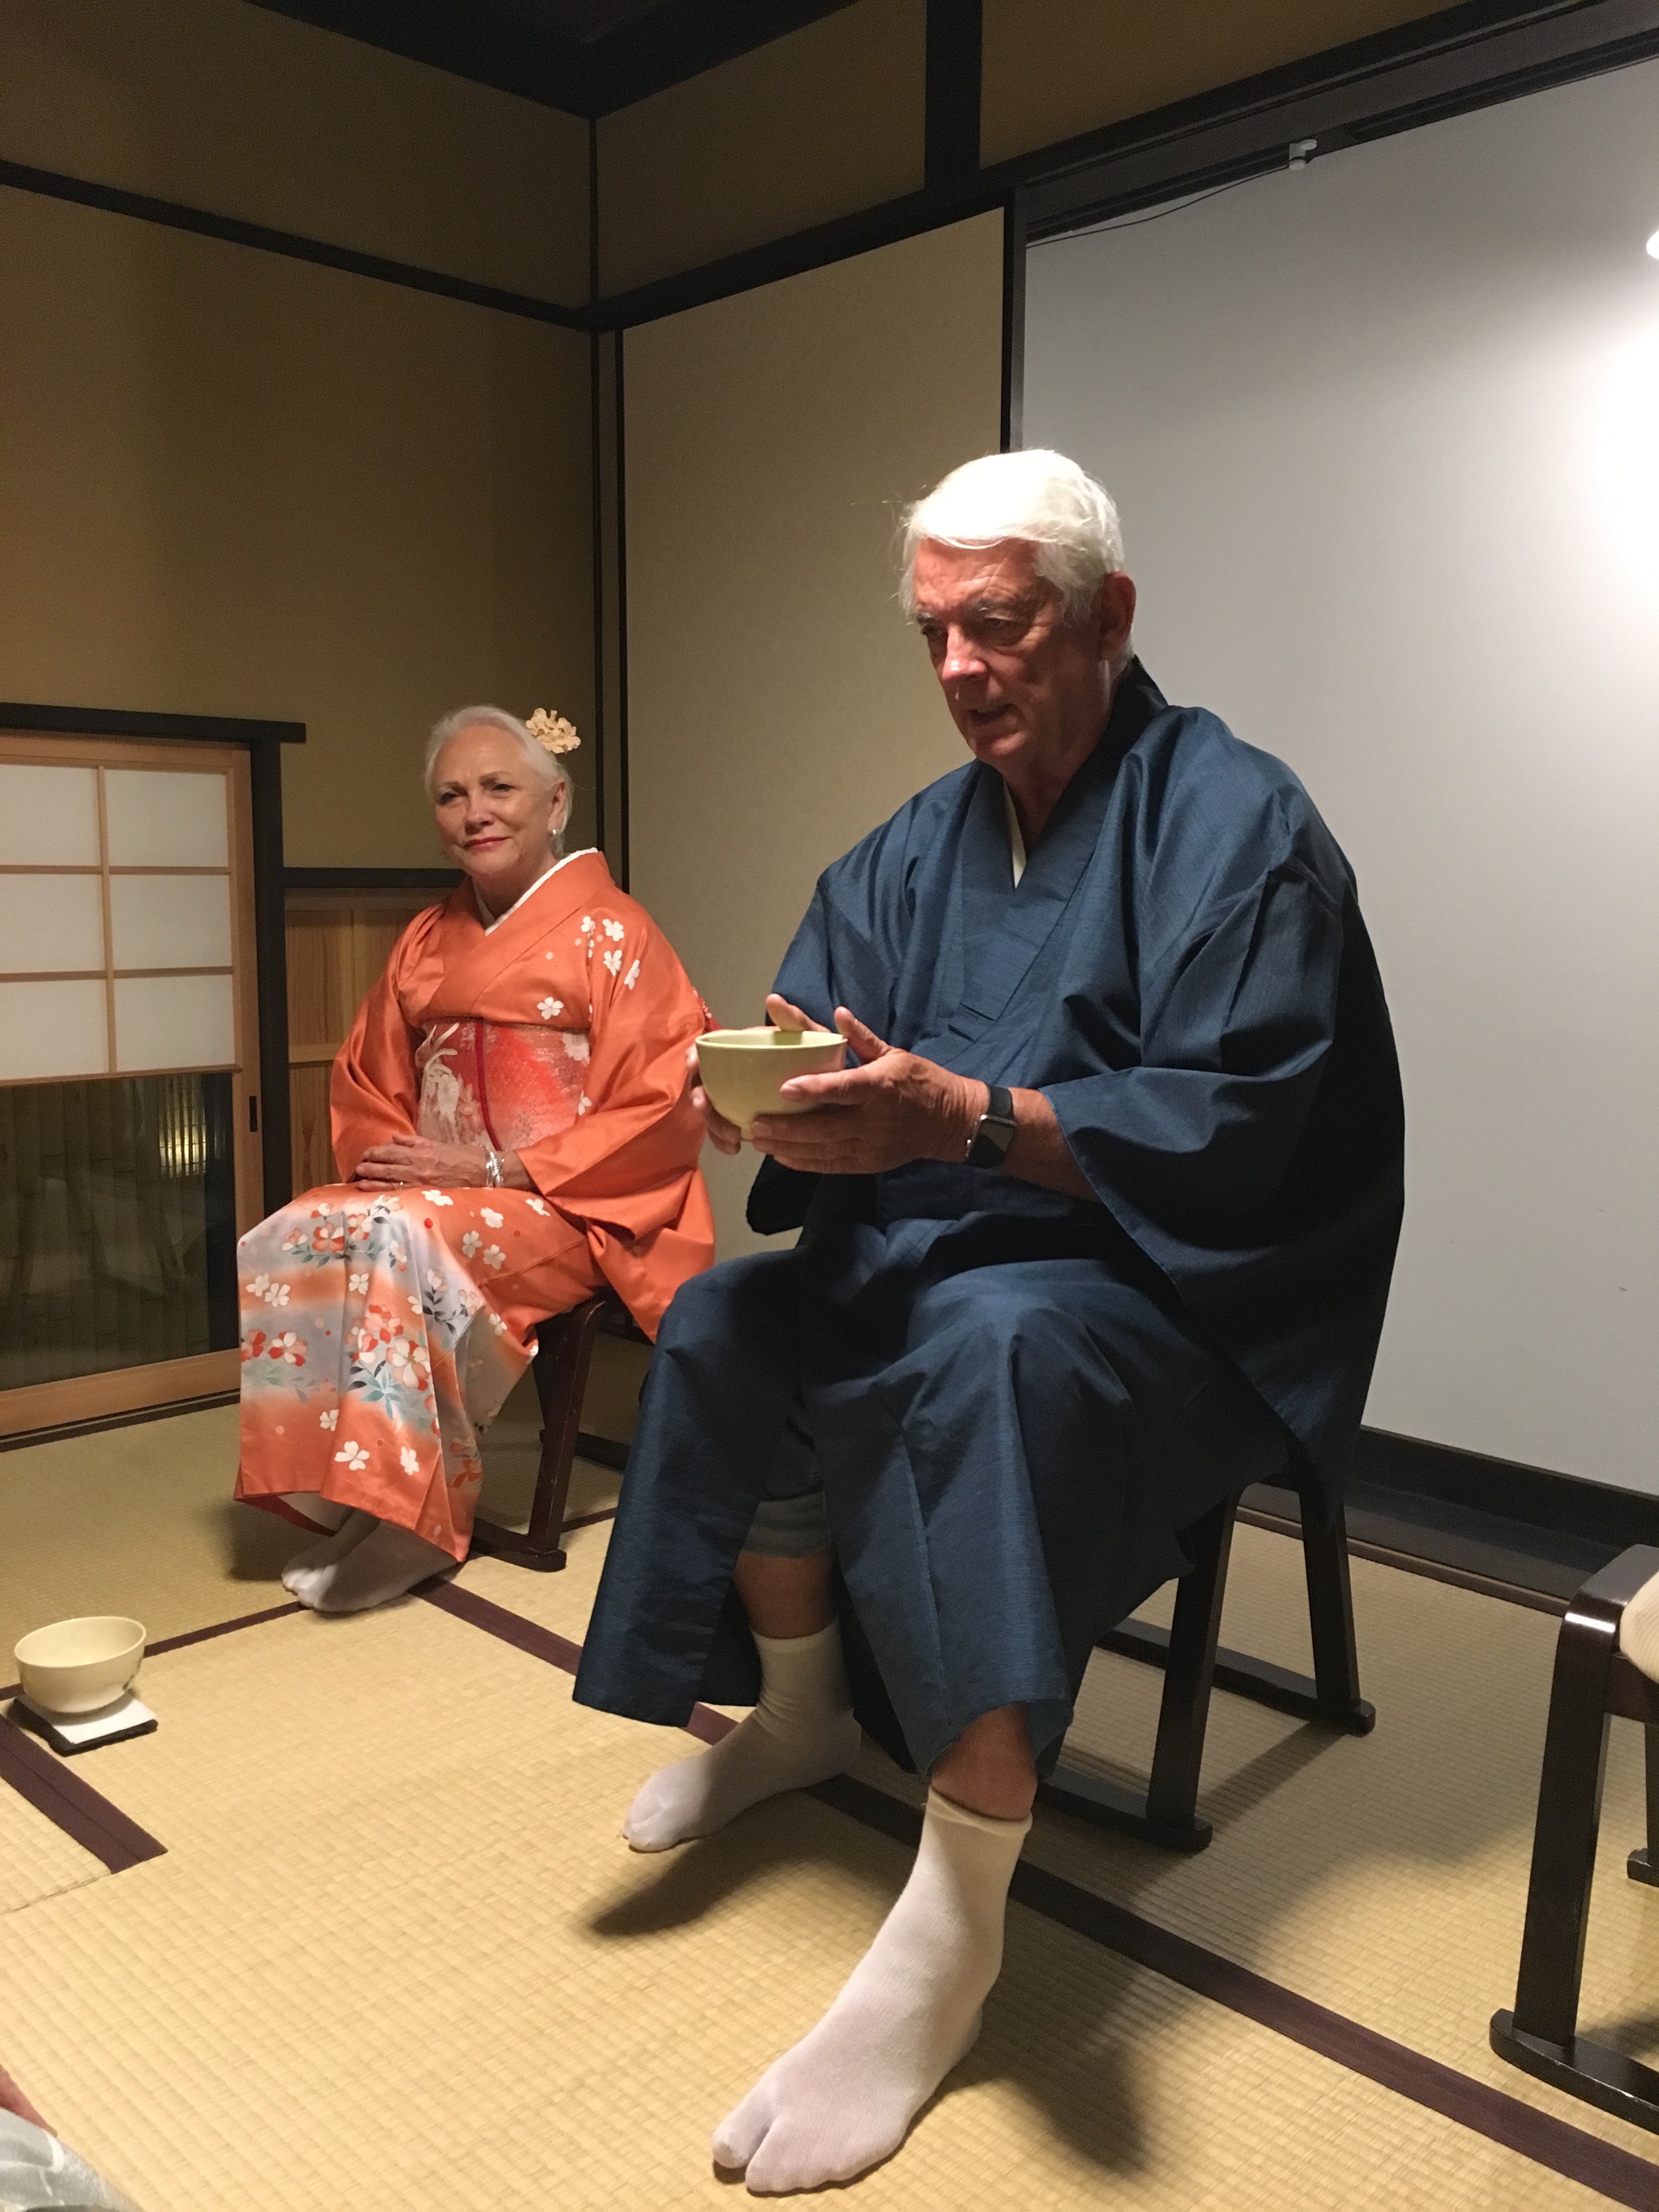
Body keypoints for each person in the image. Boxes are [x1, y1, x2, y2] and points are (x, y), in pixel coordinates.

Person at [573, 450, 1405, 2193]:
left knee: (984, 1353)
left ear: (1107, 617)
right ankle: (803, 1714)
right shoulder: (913, 846)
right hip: (945, 1250)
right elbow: (826, 1034)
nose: (961, 665)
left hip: (1164, 1292)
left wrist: (963, 1120)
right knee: (727, 1322)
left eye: (1002, 623)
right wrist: (780, 1103)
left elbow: (1243, 1132)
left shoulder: (1236, 824)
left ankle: (959, 1909)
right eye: (935, 632)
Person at [234, 705, 713, 1613]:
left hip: (574, 1202)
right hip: (447, 1196)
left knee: (401, 1239)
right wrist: (400, 1162)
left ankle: (417, 1521)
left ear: (556, 801)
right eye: (451, 796)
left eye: (499, 788)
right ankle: (360, 1487)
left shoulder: (618, 934)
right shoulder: (426, 937)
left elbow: (661, 1099)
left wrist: (501, 1171)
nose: (475, 812)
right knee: (303, 1225)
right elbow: (367, 1078)